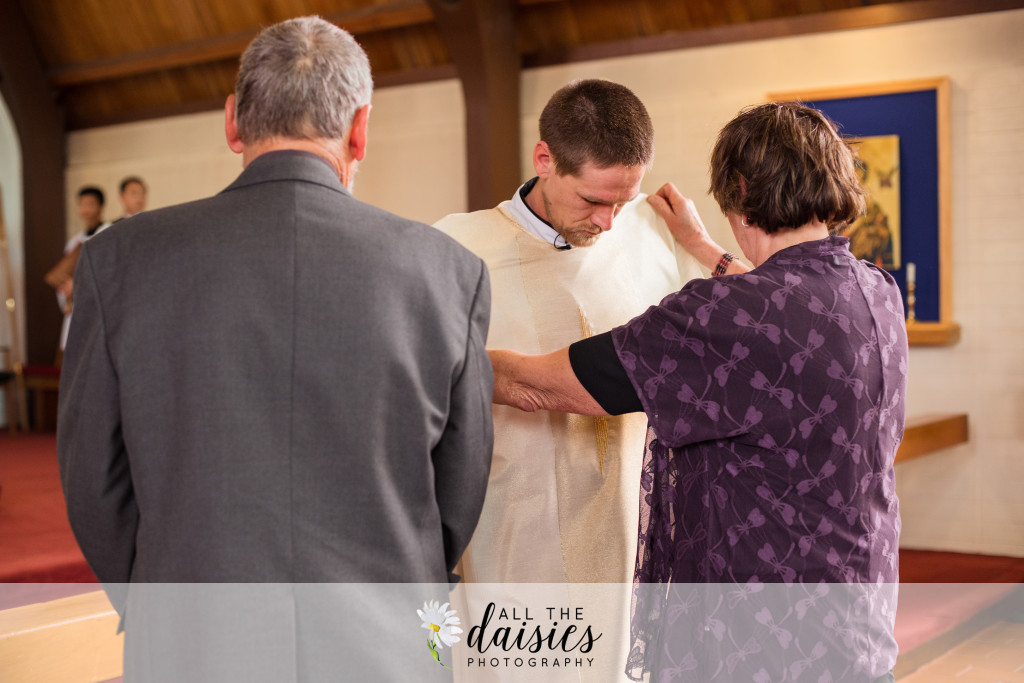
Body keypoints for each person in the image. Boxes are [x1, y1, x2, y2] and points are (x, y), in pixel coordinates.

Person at [57, 17, 493, 681]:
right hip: (385, 644)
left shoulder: (118, 262)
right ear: (360, 130)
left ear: (233, 121)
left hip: (190, 641)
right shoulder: (449, 272)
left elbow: (93, 480)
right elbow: (460, 488)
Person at [490, 102, 907, 683]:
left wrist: (433, 355)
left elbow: (540, 383)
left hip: (761, 641)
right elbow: (786, 311)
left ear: (740, 189)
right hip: (857, 619)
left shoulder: (721, 317)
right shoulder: (875, 290)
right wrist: (704, 246)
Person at [435, 79, 741, 683]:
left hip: (634, 528)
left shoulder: (654, 232)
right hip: (513, 529)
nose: (607, 220)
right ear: (544, 160)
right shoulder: (456, 248)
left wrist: (703, 247)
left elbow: (764, 331)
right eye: (593, 200)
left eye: (623, 200)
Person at [44, 186, 111, 350]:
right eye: (81, 204)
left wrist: (78, 286)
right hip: (75, 307)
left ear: (101, 206)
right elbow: (65, 275)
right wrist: (65, 290)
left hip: (100, 310)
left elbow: (109, 273)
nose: (85, 209)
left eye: (90, 204)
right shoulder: (74, 241)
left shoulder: (109, 234)